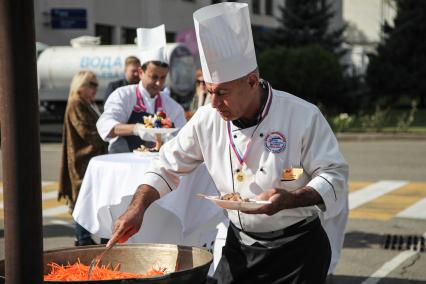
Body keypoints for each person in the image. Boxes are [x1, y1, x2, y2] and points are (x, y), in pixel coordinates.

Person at [107, 3, 348, 284]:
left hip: (297, 250)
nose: (214, 103)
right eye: (210, 92)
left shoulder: (302, 115)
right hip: (240, 247)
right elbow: (165, 166)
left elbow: (334, 175)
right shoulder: (208, 118)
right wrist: (138, 208)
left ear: (252, 81)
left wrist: (290, 200)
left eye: (222, 92)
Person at [97, 25, 186, 153]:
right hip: (123, 162)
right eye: (153, 77)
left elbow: (182, 138)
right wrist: (136, 129)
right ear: (140, 72)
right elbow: (105, 125)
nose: (158, 83)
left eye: (163, 77)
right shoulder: (123, 95)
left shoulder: (172, 107)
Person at [58, 70, 108, 246]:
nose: (95, 88)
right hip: (81, 161)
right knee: (82, 199)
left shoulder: (87, 103)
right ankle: (82, 239)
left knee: (86, 198)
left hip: (89, 160)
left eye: (96, 85)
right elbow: (87, 133)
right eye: (92, 84)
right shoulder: (76, 103)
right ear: (81, 86)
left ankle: (83, 237)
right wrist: (110, 134)